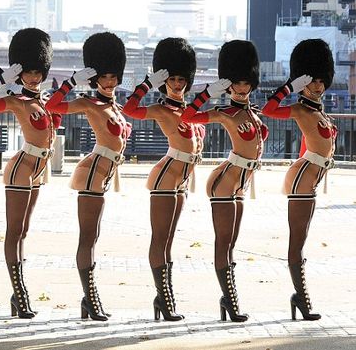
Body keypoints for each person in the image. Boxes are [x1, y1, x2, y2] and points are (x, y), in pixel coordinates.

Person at [0, 28, 61, 319]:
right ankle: (19, 292)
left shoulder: (43, 101)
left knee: (23, 231)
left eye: (38, 71)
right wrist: (2, 80)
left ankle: (19, 292)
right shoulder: (16, 100)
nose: (33, 77)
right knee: (14, 231)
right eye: (28, 72)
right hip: (22, 168)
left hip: (38, 170)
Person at [45, 32, 130, 321]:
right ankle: (90, 298)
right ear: (95, 79)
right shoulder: (89, 103)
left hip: (105, 175)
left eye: (113, 77)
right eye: (104, 77)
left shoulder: (114, 106)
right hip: (94, 172)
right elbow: (52, 106)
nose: (109, 82)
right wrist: (71, 81)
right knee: (87, 238)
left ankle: (88, 298)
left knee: (93, 236)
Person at [181, 40, 266, 322]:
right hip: (225, 181)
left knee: (231, 244)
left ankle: (227, 299)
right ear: (227, 85)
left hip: (241, 184)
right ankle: (230, 301)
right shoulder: (224, 112)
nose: (242, 89)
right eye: (236, 84)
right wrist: (207, 92)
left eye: (246, 84)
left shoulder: (252, 113)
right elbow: (187, 116)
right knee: (223, 242)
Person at [122, 37, 203, 321]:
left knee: (169, 241)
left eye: (182, 78)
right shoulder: (160, 108)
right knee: (160, 239)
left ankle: (164, 297)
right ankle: (165, 299)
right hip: (166, 178)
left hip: (181, 181)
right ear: (164, 80)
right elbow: (129, 109)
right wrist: (147, 83)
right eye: (172, 79)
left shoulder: (190, 111)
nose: (178, 84)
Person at [262, 39, 336, 321]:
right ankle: (302, 298)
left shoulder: (318, 110)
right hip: (303, 180)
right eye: (312, 81)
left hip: (311, 179)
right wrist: (289, 87)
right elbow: (268, 110)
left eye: (320, 80)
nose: (317, 86)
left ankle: (299, 296)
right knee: (297, 241)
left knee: (301, 238)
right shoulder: (301, 109)